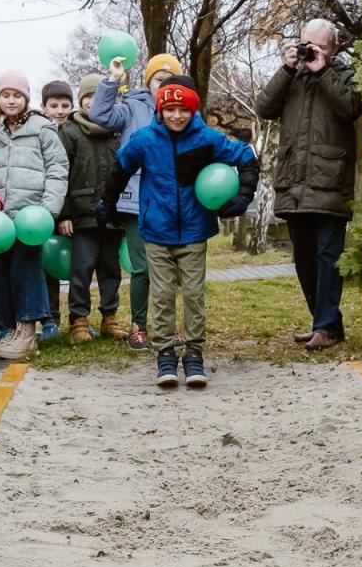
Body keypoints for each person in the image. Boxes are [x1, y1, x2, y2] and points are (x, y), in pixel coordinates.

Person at [101, 77, 256, 388]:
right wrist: (107, 202)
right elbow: (120, 169)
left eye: (183, 109)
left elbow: (247, 158)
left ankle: (194, 353)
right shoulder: (145, 140)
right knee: (162, 295)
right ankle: (165, 354)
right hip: (157, 230)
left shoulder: (207, 139)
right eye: (170, 108)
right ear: (160, 109)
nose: (176, 115)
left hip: (194, 230)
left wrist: (243, 196)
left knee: (194, 295)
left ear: (193, 110)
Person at [256, 18, 362, 350]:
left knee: (328, 258)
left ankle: (325, 327)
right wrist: (286, 69)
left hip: (330, 180)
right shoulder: (292, 76)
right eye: (305, 43)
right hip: (294, 180)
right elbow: (263, 107)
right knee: (304, 260)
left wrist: (322, 71)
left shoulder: (345, 75)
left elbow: (350, 108)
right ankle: (326, 323)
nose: (310, 50)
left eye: (318, 46)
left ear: (334, 48)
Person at [91, 52, 183, 350]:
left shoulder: (183, 112)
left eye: (170, 80)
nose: (163, 85)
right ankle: (139, 326)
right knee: (142, 266)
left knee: (168, 268)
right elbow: (99, 115)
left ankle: (167, 326)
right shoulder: (131, 107)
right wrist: (113, 79)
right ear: (148, 82)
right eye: (158, 79)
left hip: (170, 201)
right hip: (136, 202)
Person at [0, 70, 68, 360]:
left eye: (17, 95)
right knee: (1, 273)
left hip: (30, 216)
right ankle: (5, 329)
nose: (11, 100)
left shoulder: (42, 128)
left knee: (27, 269)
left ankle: (28, 332)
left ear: (26, 98)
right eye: (5, 95)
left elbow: (57, 168)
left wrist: (48, 209)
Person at [58, 74, 124, 342]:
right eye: (88, 96)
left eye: (99, 97)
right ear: (81, 100)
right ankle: (79, 320)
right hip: (81, 214)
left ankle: (110, 317)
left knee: (111, 269)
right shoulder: (70, 132)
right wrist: (63, 215)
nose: (93, 102)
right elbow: (60, 174)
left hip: (113, 213)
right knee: (81, 269)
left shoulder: (117, 133)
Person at [39, 80, 75, 340]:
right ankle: (50, 318)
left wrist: (66, 214)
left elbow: (72, 178)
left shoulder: (75, 132)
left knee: (75, 266)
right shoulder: (40, 132)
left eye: (65, 105)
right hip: (44, 210)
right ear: (44, 107)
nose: (60, 110)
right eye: (54, 106)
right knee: (48, 265)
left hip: (69, 211)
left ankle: (78, 319)